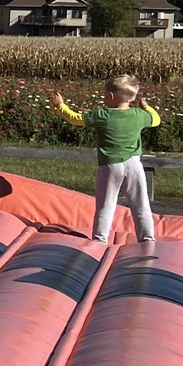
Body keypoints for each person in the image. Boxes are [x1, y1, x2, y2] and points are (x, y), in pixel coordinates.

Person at [55, 75, 160, 243]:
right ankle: (148, 239)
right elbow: (156, 120)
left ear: (111, 96)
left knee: (106, 205)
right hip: (134, 164)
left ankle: (100, 239)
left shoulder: (102, 115)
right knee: (141, 204)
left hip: (110, 166)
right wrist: (146, 107)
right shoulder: (139, 115)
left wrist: (60, 105)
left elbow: (74, 119)